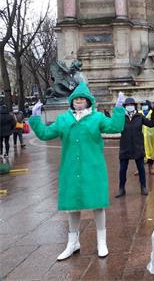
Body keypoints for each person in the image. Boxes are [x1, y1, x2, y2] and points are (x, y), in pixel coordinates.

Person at [29, 82, 125, 260]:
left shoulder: (97, 118)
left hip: (93, 168)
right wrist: (35, 120)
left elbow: (115, 127)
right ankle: (72, 243)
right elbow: (45, 134)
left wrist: (119, 110)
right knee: (71, 206)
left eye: (82, 99)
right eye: (76, 99)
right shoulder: (63, 120)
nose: (79, 102)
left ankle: (101, 242)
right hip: (70, 169)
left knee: (97, 205)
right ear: (71, 101)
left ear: (89, 101)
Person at [116, 97, 154, 198]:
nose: (130, 107)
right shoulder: (121, 117)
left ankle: (143, 187)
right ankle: (121, 188)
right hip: (125, 146)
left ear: (134, 106)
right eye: (128, 105)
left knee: (141, 168)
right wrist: (110, 116)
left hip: (138, 146)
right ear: (125, 107)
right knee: (122, 169)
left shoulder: (140, 116)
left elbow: (151, 124)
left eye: (131, 105)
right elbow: (114, 126)